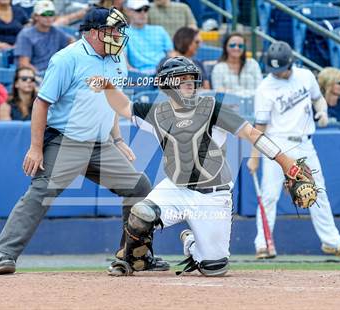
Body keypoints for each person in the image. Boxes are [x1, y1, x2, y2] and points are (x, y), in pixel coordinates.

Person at [89, 56, 315, 277]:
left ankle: (190, 241)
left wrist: (287, 164)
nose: (189, 83)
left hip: (213, 196)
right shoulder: (157, 113)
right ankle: (131, 258)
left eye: (191, 78)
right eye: (182, 78)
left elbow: (251, 133)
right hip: (176, 189)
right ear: (167, 84)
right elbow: (124, 107)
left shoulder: (212, 107)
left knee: (213, 268)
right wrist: (108, 86)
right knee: (142, 213)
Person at [0, 6, 169, 275]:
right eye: (112, 31)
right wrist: (36, 148)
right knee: (41, 193)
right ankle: (2, 254)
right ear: (94, 32)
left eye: (119, 30)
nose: (118, 35)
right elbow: (41, 103)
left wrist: (117, 139)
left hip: (100, 144)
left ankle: (133, 255)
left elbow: (111, 100)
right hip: (66, 141)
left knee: (139, 186)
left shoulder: (117, 58)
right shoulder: (67, 58)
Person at [247, 41, 340, 260]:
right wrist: (254, 157)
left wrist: (323, 112)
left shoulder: (306, 76)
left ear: (291, 63)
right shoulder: (265, 88)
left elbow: (318, 100)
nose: (278, 73)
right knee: (269, 196)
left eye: (281, 69)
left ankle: (332, 242)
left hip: (305, 143)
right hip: (276, 144)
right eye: (274, 70)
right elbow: (259, 126)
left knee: (318, 192)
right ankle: (263, 244)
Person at [14, 0, 74, 74]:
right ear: (35, 16)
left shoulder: (57, 32)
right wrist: (39, 75)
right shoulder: (25, 35)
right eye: (44, 14)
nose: (48, 17)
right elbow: (24, 64)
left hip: (56, 73)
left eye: (51, 14)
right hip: (35, 75)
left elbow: (72, 43)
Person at [124, 0, 173, 74]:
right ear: (128, 11)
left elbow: (171, 54)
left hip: (164, 72)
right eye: (138, 10)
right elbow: (124, 63)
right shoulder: (123, 33)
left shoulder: (160, 30)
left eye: (146, 9)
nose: (143, 13)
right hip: (139, 76)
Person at [211, 32, 262, 97]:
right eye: (232, 45)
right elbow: (218, 92)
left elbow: (259, 88)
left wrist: (230, 91)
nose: (236, 48)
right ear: (225, 47)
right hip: (228, 105)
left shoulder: (252, 64)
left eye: (240, 46)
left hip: (251, 103)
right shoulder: (219, 67)